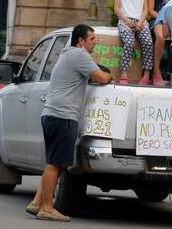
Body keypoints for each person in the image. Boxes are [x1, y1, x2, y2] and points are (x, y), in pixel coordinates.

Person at [26, 24, 112, 222]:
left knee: (54, 163)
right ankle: (47, 208)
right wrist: (110, 75)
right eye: (92, 39)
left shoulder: (67, 54)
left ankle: (37, 201)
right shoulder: (79, 55)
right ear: (80, 40)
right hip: (62, 117)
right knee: (56, 164)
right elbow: (101, 76)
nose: (95, 42)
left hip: (52, 115)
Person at [114, 0, 153, 85]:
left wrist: (141, 22)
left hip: (140, 21)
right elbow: (117, 8)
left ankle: (146, 74)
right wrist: (127, 20)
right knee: (129, 42)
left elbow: (146, 9)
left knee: (148, 42)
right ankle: (124, 73)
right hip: (125, 21)